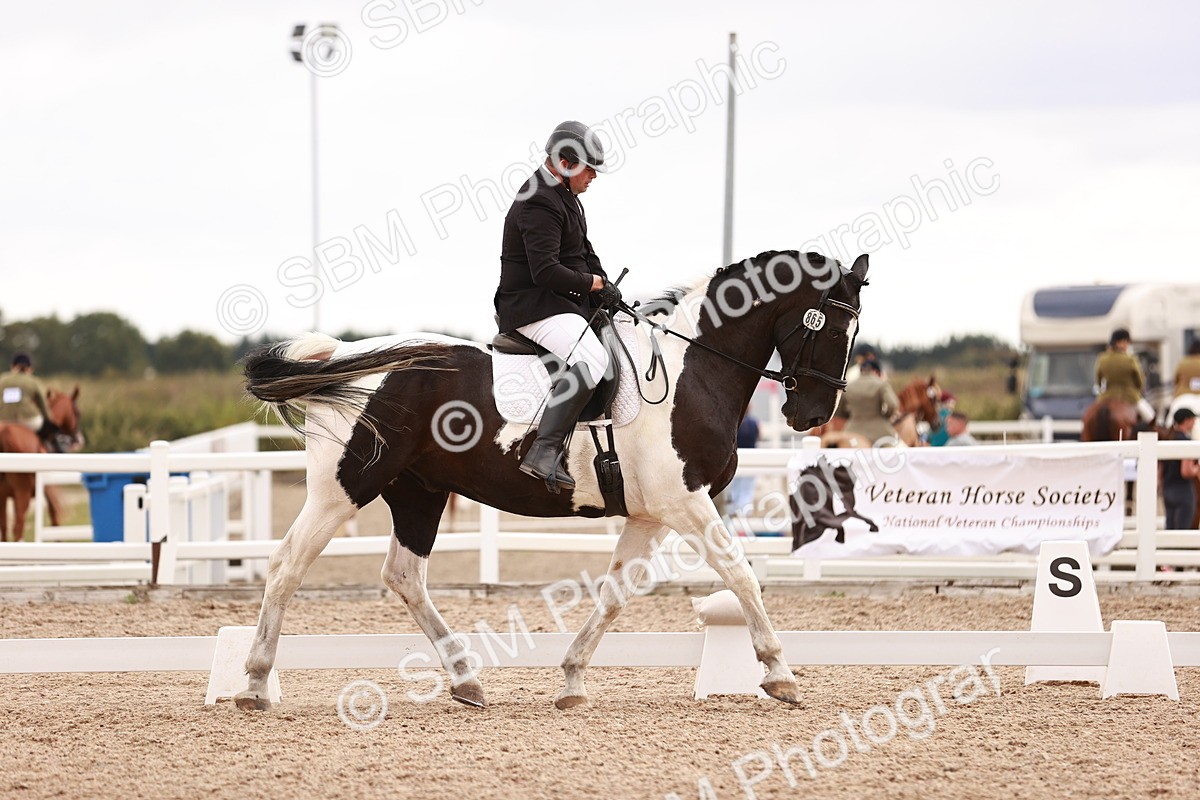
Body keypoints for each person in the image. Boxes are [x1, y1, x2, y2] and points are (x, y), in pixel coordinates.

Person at [495, 120, 623, 492]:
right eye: (589, 167)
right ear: (566, 163)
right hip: (532, 307)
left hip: (558, 304)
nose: (594, 176)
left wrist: (605, 285)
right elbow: (546, 270)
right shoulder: (538, 199)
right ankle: (544, 451)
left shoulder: (566, 199)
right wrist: (592, 284)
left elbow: (583, 253)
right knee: (593, 360)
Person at [1094, 328, 1155, 426]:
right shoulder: (1131, 359)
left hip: (1107, 397)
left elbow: (1098, 381)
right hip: (1130, 396)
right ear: (1120, 342)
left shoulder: (1102, 359)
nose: (1127, 345)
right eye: (1126, 342)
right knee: (1151, 417)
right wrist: (1139, 390)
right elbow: (1139, 381)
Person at [843, 360, 900, 446]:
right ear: (876, 371)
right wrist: (885, 416)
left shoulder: (848, 386)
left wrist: (852, 416)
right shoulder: (881, 384)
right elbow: (893, 404)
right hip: (880, 432)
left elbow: (839, 409)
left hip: (851, 430)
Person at [1162, 409, 1198, 531]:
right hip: (1183, 491)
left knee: (1170, 528)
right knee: (1182, 530)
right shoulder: (1186, 442)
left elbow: (1160, 468)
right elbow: (1186, 471)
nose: (1194, 423)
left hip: (1168, 489)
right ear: (1186, 421)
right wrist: (1196, 468)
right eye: (1192, 420)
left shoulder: (1168, 437)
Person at [0, 352, 51, 434]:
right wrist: (49, 420)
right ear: (30, 368)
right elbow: (43, 403)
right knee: (47, 433)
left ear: (12, 367)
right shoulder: (33, 381)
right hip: (28, 420)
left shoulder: (2, 379)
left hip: (3, 420)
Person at [725, 405, 760, 524]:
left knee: (734, 489)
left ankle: (733, 518)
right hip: (753, 459)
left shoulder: (735, 423)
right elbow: (759, 436)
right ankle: (745, 519)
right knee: (747, 490)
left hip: (736, 458)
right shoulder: (754, 423)